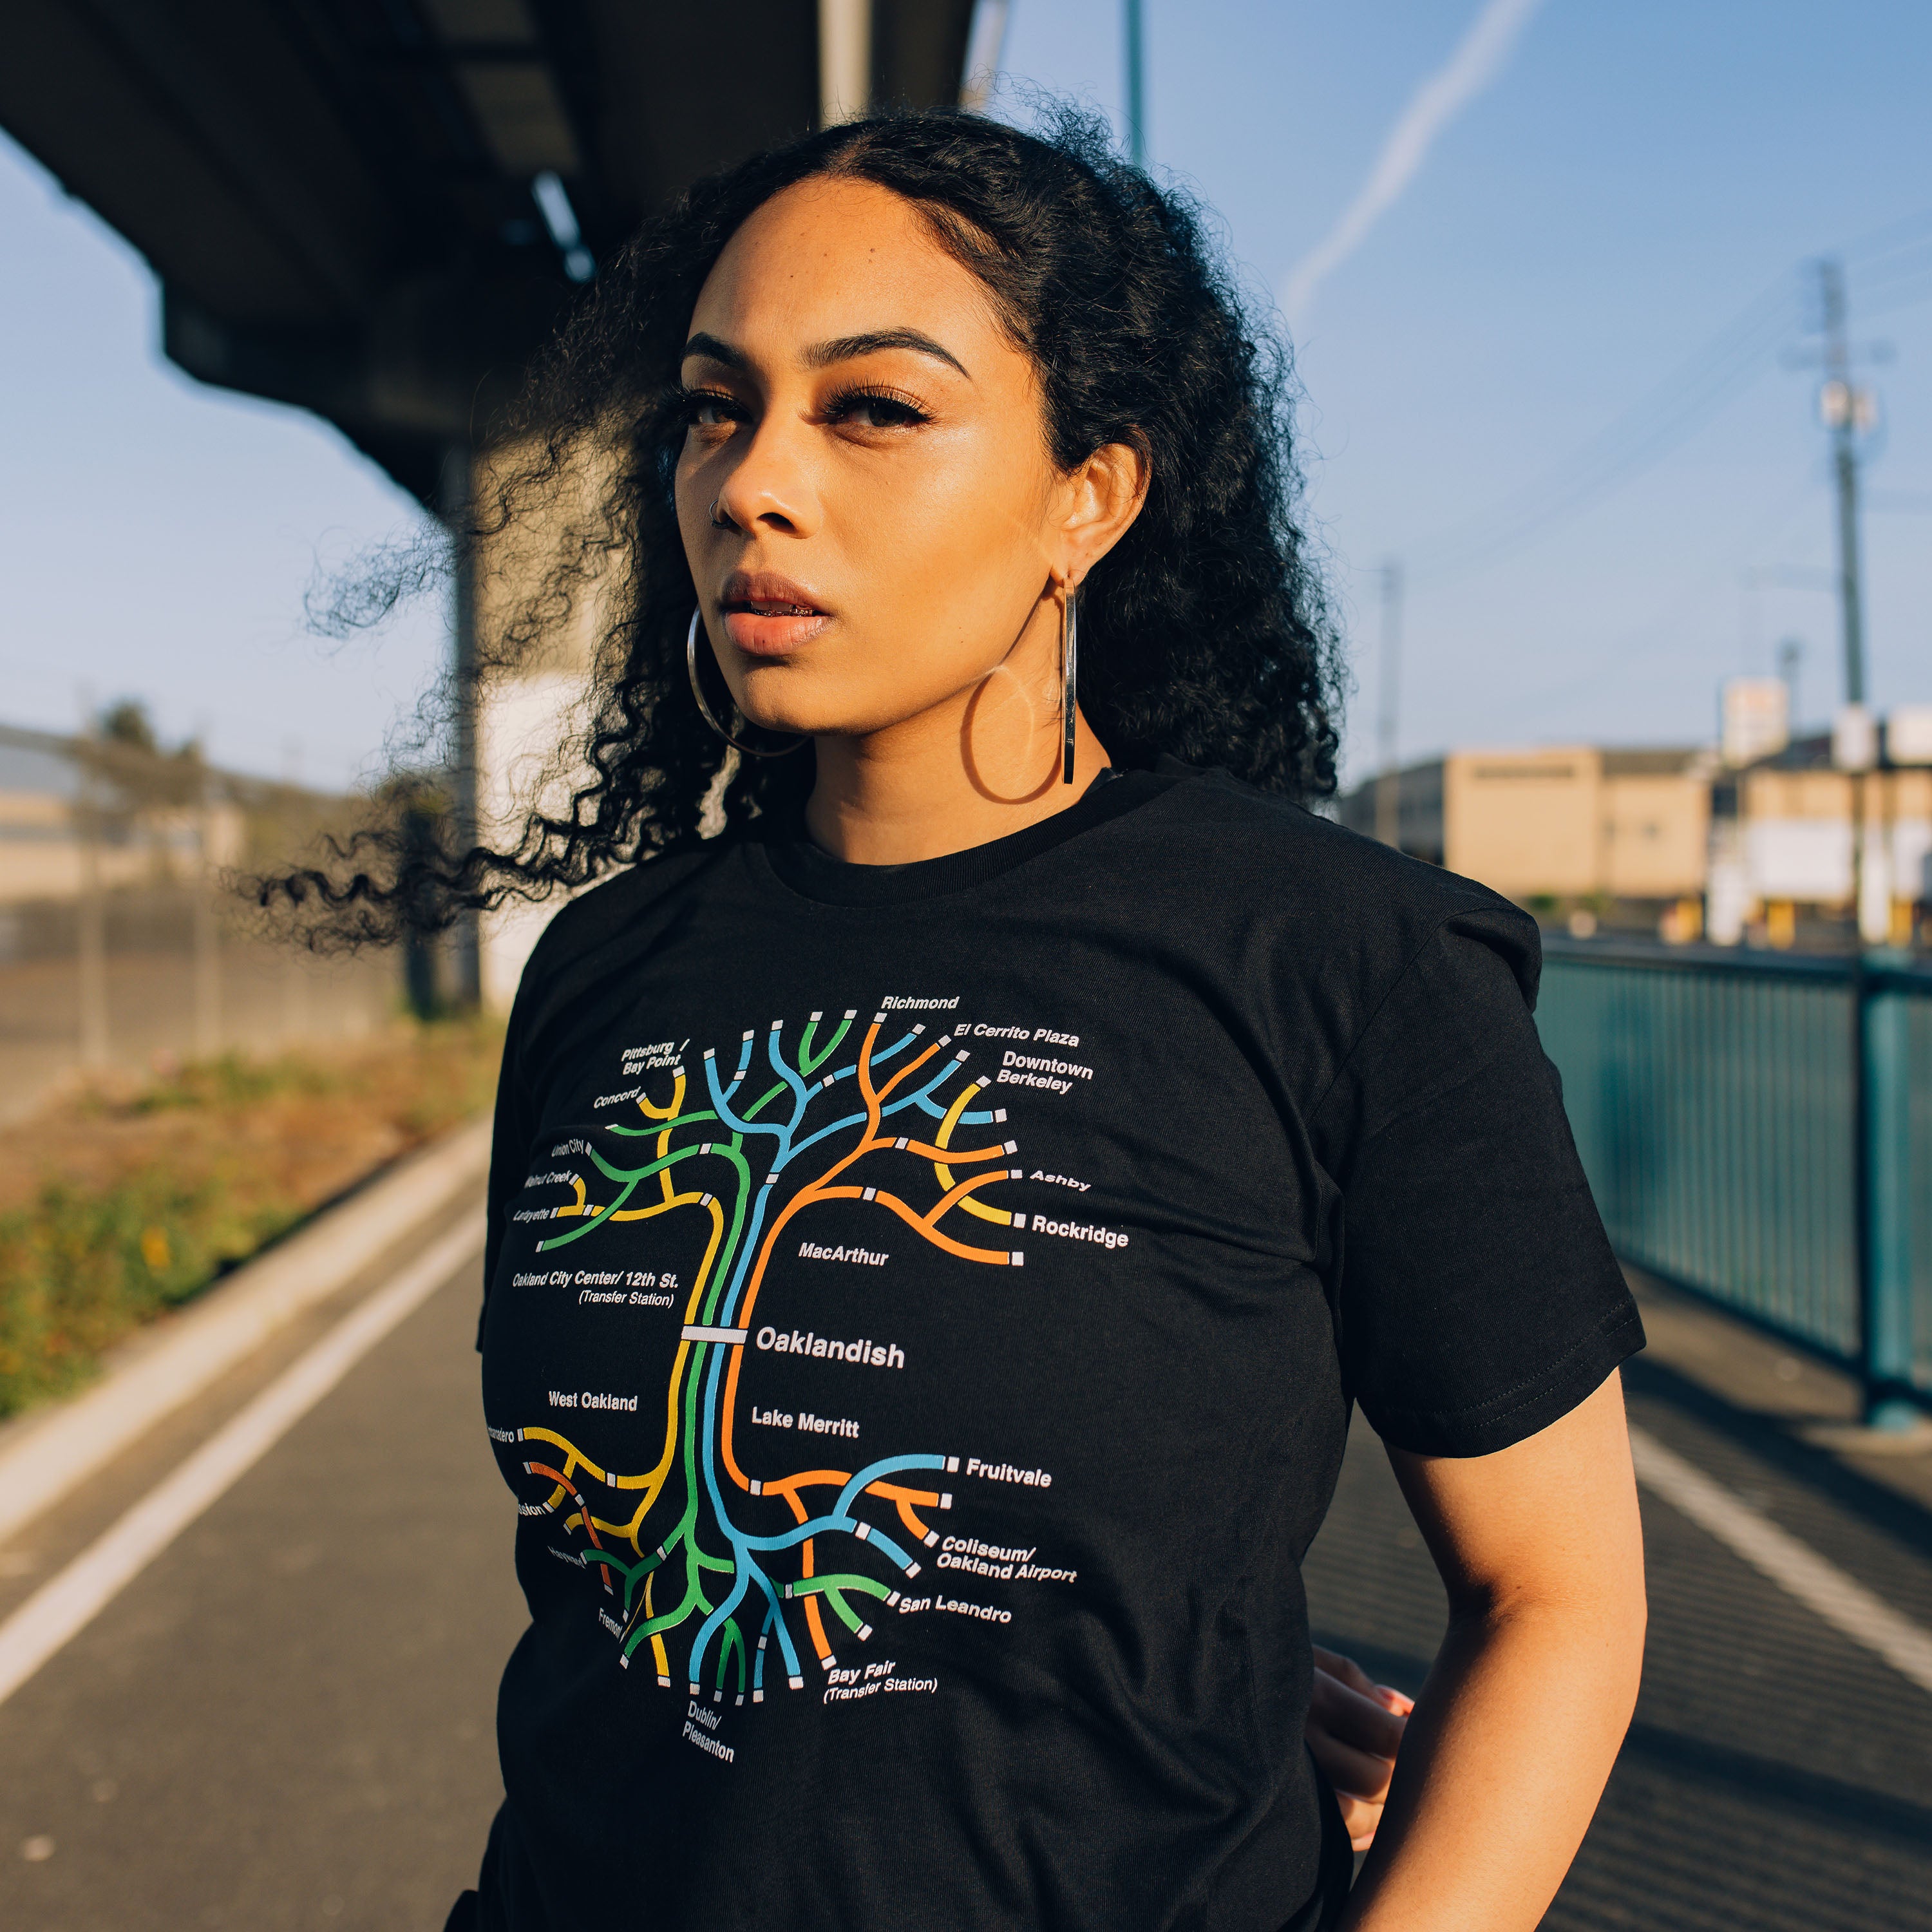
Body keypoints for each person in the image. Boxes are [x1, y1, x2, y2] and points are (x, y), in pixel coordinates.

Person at [286, 106, 1645, 1932]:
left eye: (873, 409)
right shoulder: (607, 973)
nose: (753, 481)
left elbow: (1558, 1598)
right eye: (713, 405)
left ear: (1092, 492)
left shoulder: (1340, 961)